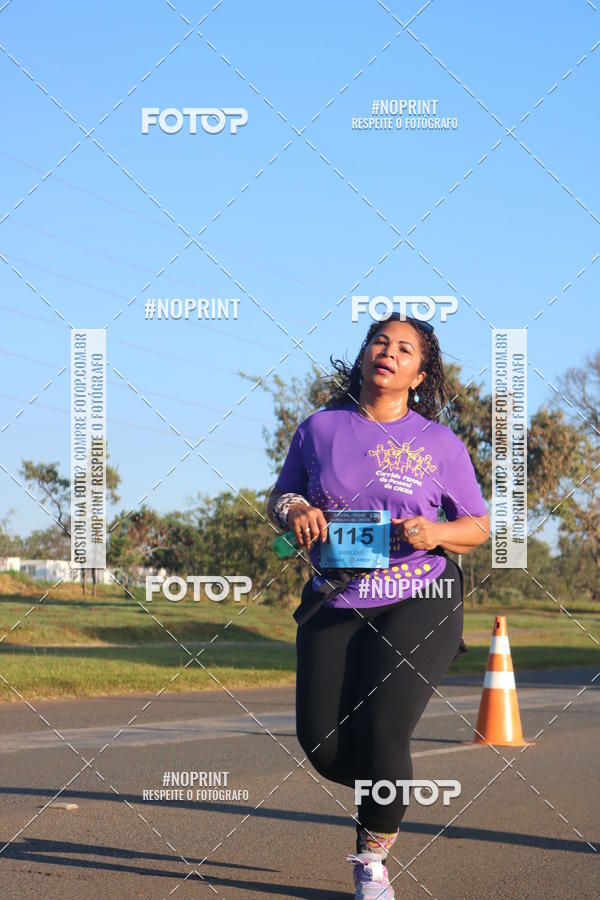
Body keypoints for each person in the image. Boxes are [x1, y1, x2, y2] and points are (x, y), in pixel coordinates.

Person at [266, 313, 490, 899]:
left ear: (419, 374)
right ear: (364, 356)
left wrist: (437, 533)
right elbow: (281, 495)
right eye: (380, 342)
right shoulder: (318, 429)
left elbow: (477, 526)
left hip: (422, 591)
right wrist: (295, 512)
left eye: (405, 349)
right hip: (336, 595)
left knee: (386, 727)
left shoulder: (440, 442)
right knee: (325, 747)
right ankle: (386, 785)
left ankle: (371, 861)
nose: (389, 352)